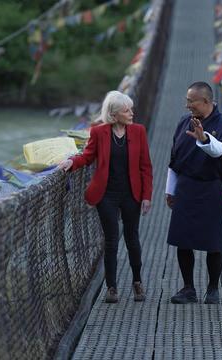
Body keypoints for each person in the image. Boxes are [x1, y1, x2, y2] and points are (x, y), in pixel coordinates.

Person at [58, 90, 153, 303]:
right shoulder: (99, 132)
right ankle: (111, 288)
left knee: (132, 239)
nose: (131, 113)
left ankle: (137, 282)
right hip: (106, 194)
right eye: (126, 110)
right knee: (110, 241)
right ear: (114, 113)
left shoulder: (138, 131)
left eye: (131, 109)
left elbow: (145, 166)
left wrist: (147, 195)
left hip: (131, 193)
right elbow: (88, 156)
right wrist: (72, 162)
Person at [166, 81, 222, 304]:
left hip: (211, 187)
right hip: (185, 187)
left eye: (191, 101)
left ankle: (213, 289)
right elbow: (174, 159)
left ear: (205, 101)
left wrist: (204, 139)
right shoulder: (182, 123)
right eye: (187, 100)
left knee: (213, 243)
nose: (188, 105)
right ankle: (188, 288)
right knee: (183, 240)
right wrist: (170, 190)